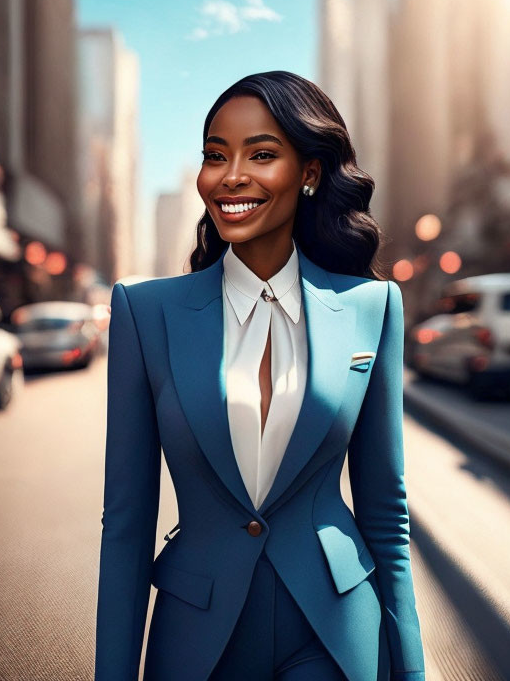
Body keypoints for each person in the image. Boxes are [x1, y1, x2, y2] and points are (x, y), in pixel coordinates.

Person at [94, 71, 426, 681]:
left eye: (262, 154)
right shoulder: (144, 313)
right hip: (198, 637)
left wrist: (410, 672)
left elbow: (386, 512)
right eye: (215, 156)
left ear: (310, 173)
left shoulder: (372, 308)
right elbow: (127, 524)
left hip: (334, 635)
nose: (231, 176)